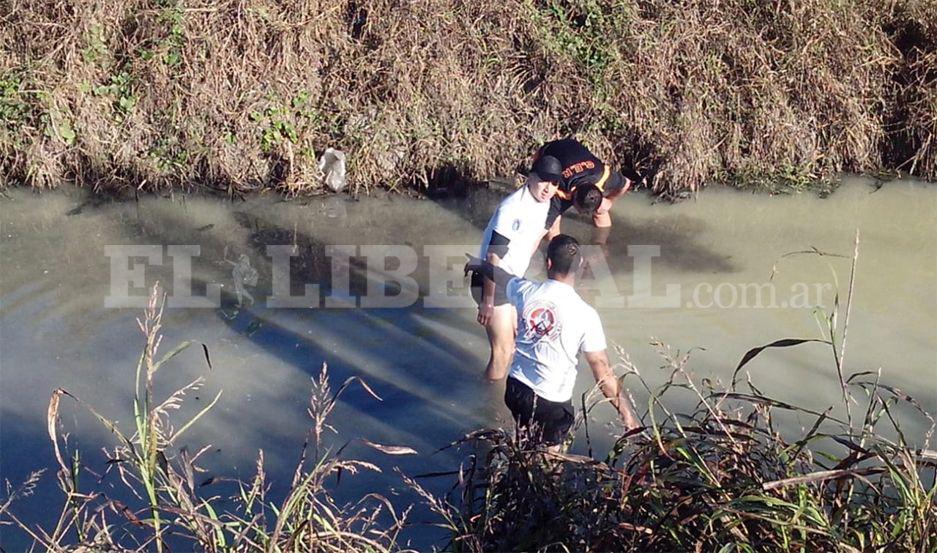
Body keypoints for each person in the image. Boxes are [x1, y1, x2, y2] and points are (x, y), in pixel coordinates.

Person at [467, 234, 641, 448]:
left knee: (524, 446)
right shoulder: (586, 315)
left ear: (548, 263)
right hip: (552, 403)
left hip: (516, 389)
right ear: (580, 266)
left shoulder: (526, 291)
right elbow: (601, 369)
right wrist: (627, 414)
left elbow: (501, 276)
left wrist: (478, 264)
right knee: (551, 461)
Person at [470, 154, 564, 381]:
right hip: (490, 281)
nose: (548, 188)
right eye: (543, 180)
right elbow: (493, 256)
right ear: (529, 177)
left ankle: (502, 395)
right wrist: (487, 301)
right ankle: (488, 405)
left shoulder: (548, 202)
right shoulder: (512, 208)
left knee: (513, 345)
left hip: (512, 282)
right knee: (502, 352)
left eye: (554, 183)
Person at [532, 138, 642, 238]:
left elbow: (626, 183)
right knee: (554, 222)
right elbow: (545, 228)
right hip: (547, 151)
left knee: (601, 210)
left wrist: (609, 200)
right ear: (572, 198)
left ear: (597, 189)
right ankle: (556, 252)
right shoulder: (560, 190)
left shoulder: (602, 176)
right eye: (581, 210)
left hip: (574, 148)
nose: (581, 214)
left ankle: (601, 244)